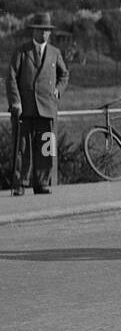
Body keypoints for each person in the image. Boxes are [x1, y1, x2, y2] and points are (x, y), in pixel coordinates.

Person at [7, 14, 68, 195]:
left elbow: (64, 75)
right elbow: (10, 78)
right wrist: (15, 102)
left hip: (47, 108)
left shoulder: (55, 53)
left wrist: (58, 90)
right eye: (42, 30)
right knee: (22, 149)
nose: (45, 34)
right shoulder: (21, 52)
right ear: (34, 30)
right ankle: (20, 183)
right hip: (25, 109)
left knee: (46, 147)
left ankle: (41, 183)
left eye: (48, 31)